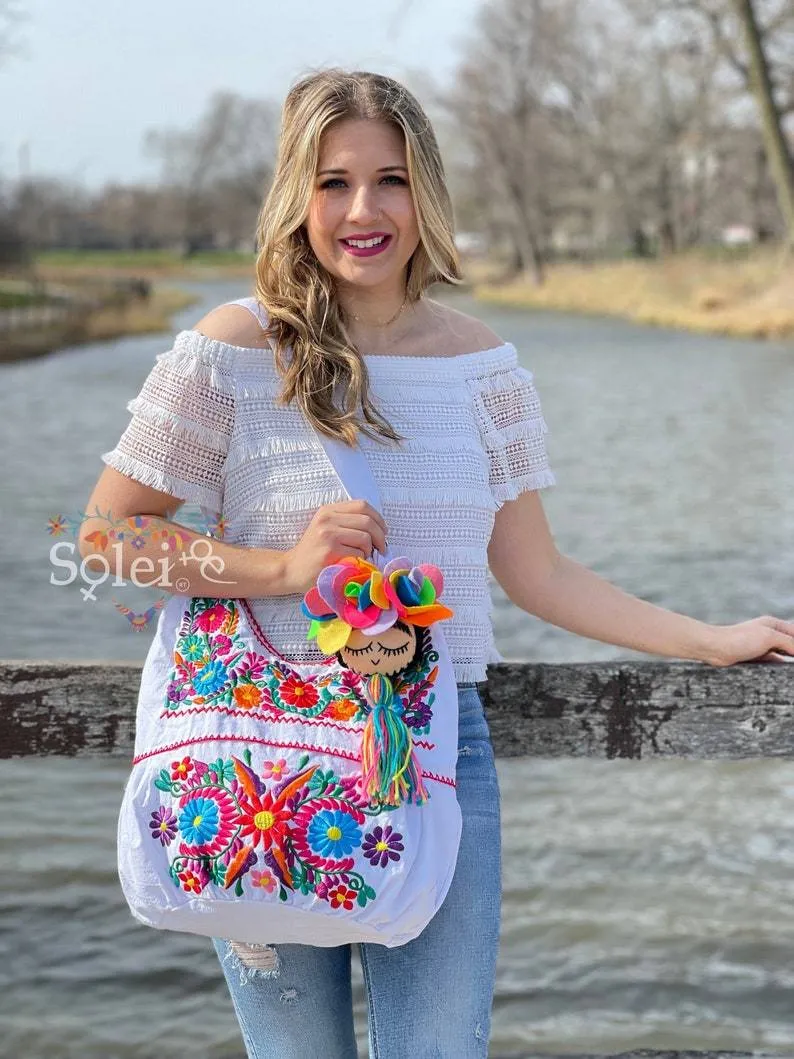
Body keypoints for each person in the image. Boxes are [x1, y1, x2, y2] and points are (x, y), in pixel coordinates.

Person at [80, 68, 794, 1059]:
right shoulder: (234, 352)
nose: (362, 210)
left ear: (428, 192)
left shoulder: (478, 367)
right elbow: (108, 538)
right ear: (297, 195)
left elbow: (537, 575)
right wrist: (284, 570)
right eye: (332, 182)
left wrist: (708, 637)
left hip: (431, 754)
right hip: (255, 757)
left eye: (391, 179)